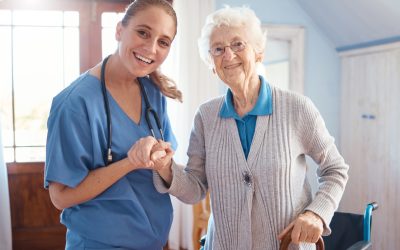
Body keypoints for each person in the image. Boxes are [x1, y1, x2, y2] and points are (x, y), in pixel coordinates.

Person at [151, 5, 349, 250]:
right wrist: (165, 168)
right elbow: (195, 189)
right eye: (218, 49)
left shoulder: (297, 108)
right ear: (211, 64)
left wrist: (316, 214)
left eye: (238, 44)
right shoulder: (206, 116)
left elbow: (335, 169)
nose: (228, 55)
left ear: (258, 52)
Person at [44, 0, 181, 249]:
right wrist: (130, 162)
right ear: (119, 30)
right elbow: (60, 196)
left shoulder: (153, 94)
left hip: (152, 241)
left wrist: (161, 159)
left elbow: (164, 166)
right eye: (143, 32)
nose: (151, 48)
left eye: (163, 42)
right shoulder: (75, 103)